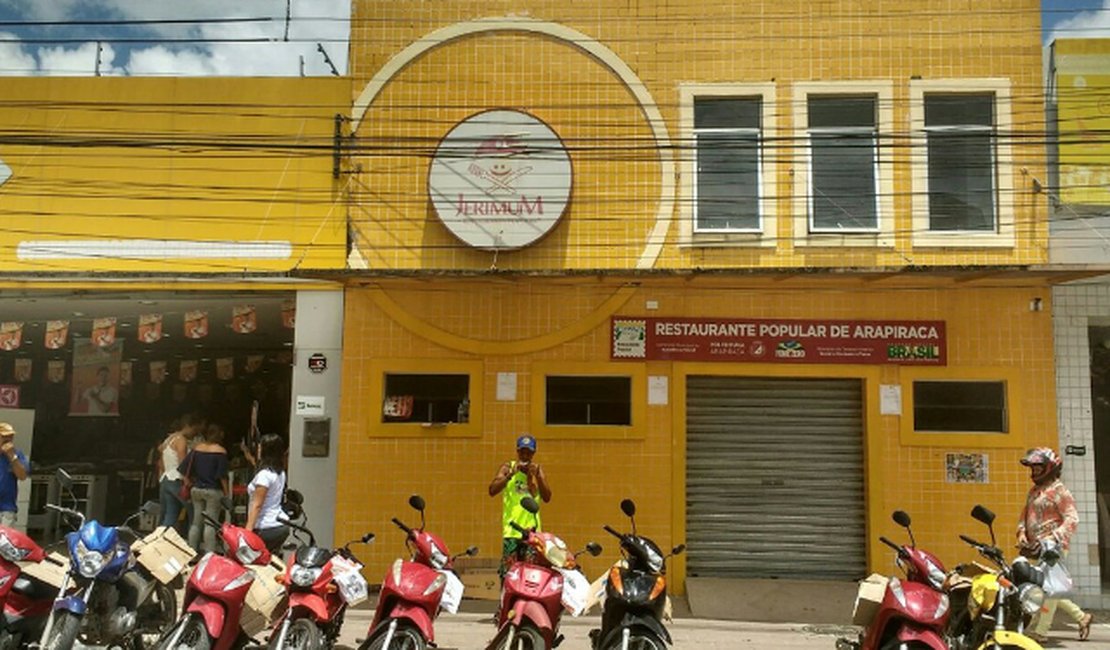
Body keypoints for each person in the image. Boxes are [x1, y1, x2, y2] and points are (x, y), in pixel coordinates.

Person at [1015, 447, 1093, 642]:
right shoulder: (1034, 491)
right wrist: (1022, 532)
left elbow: (1072, 519)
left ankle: (1040, 631)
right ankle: (1081, 616)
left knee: (1049, 590)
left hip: (1053, 548)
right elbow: (1023, 516)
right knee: (1048, 587)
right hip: (1036, 547)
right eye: (1032, 468)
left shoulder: (1060, 491)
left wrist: (1054, 537)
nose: (1034, 471)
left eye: (1038, 467)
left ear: (1050, 467)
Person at [488, 434, 552, 577]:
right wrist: (510, 474)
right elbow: (492, 490)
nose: (525, 456)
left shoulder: (537, 470)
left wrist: (538, 477)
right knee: (509, 574)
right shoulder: (508, 467)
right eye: (522, 452)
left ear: (533, 453)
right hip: (512, 530)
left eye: (528, 453)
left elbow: (547, 497)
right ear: (517, 452)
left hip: (532, 533)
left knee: (531, 573)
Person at [181, 424, 229, 554]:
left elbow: (183, 468)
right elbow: (222, 476)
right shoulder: (221, 452)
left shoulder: (197, 449)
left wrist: (189, 481)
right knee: (210, 523)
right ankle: (209, 554)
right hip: (213, 491)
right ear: (220, 435)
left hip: (196, 489)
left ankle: (191, 550)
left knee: (196, 522)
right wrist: (226, 493)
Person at [156, 413, 205, 531]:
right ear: (188, 426)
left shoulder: (169, 438)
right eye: (194, 429)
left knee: (170, 514)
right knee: (193, 512)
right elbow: (182, 462)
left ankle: (161, 540)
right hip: (177, 479)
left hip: (166, 478)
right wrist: (186, 479)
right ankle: (193, 543)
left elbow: (160, 455)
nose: (194, 432)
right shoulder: (181, 440)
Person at [245, 434, 289, 555]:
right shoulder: (280, 473)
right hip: (279, 524)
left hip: (264, 526)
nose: (258, 449)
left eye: (260, 447)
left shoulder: (264, 476)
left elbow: (257, 505)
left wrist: (247, 532)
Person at [0, 423, 28, 529]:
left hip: (7, 508)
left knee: (4, 542)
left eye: (10, 437)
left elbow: (22, 476)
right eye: (4, 436)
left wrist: (12, 457)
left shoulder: (17, 454)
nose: (8, 439)